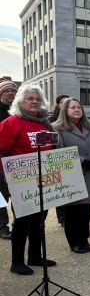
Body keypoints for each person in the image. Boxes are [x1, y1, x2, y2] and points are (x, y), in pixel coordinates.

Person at [0, 84, 59, 275]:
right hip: (21, 181)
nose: (34, 102)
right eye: (29, 98)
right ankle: (16, 262)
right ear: (20, 101)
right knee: (23, 221)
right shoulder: (12, 122)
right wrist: (9, 179)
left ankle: (35, 256)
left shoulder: (44, 123)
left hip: (44, 180)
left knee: (40, 220)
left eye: (37, 98)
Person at [54, 98, 90, 253]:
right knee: (73, 211)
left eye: (79, 107)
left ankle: (84, 239)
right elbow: (59, 150)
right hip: (73, 174)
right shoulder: (57, 128)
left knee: (86, 210)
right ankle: (74, 242)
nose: (77, 110)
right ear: (65, 110)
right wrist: (83, 161)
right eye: (72, 107)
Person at [0, 78, 18, 240]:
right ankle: (2, 226)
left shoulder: (20, 111)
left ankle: (18, 224)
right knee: (1, 197)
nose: (10, 93)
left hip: (18, 162)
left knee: (18, 194)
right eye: (6, 91)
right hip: (0, 163)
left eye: (13, 90)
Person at [48, 94, 69, 227]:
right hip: (57, 158)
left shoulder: (74, 119)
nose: (65, 104)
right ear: (58, 104)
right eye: (62, 102)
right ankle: (62, 217)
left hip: (71, 160)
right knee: (60, 190)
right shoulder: (51, 120)